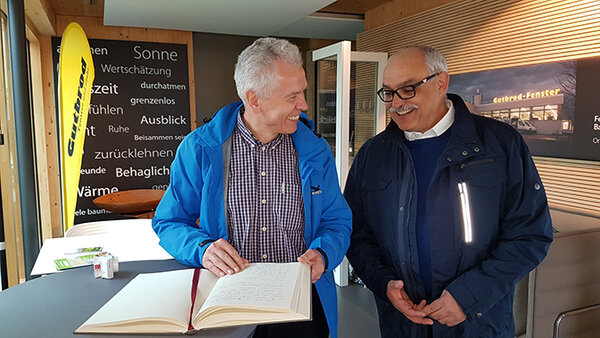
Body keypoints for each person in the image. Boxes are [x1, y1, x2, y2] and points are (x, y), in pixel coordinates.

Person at [344, 46, 553, 337]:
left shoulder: (500, 144)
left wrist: (469, 296)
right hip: (403, 324)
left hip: (478, 323)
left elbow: (531, 234)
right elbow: (355, 231)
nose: (395, 104)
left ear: (441, 82)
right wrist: (383, 283)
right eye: (388, 93)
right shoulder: (373, 154)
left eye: (407, 89)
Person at [152, 37, 352, 338]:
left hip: (303, 305)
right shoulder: (200, 149)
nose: (304, 105)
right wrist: (202, 249)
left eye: (303, 92)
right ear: (254, 98)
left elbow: (337, 221)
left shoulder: (316, 150)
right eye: (292, 96)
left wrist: (323, 255)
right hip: (229, 303)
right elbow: (169, 222)